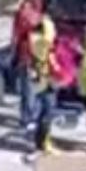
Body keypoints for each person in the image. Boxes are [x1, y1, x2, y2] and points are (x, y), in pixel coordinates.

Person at [8, 0, 47, 138]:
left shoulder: (36, 9)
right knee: (28, 89)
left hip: (38, 54)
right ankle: (27, 119)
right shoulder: (25, 10)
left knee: (35, 88)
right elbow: (23, 30)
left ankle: (31, 116)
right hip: (28, 55)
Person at [24, 12, 57, 159]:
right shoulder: (40, 42)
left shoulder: (35, 39)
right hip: (43, 81)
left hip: (43, 81)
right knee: (43, 115)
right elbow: (49, 40)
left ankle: (43, 144)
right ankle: (39, 145)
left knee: (44, 115)